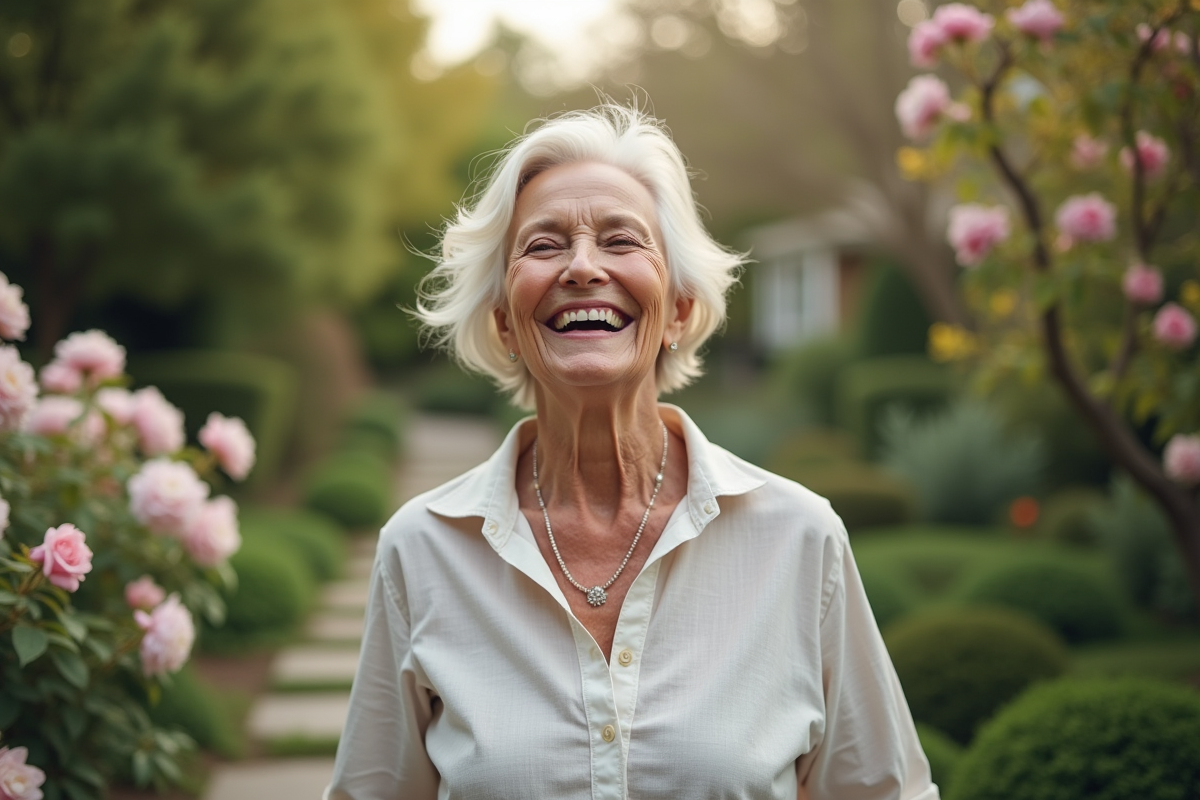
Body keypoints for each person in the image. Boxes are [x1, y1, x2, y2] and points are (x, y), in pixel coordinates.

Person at [325, 104, 938, 800]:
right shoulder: (423, 550)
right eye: (544, 245)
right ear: (503, 320)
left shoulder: (800, 540)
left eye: (621, 240)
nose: (583, 267)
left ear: (678, 308)